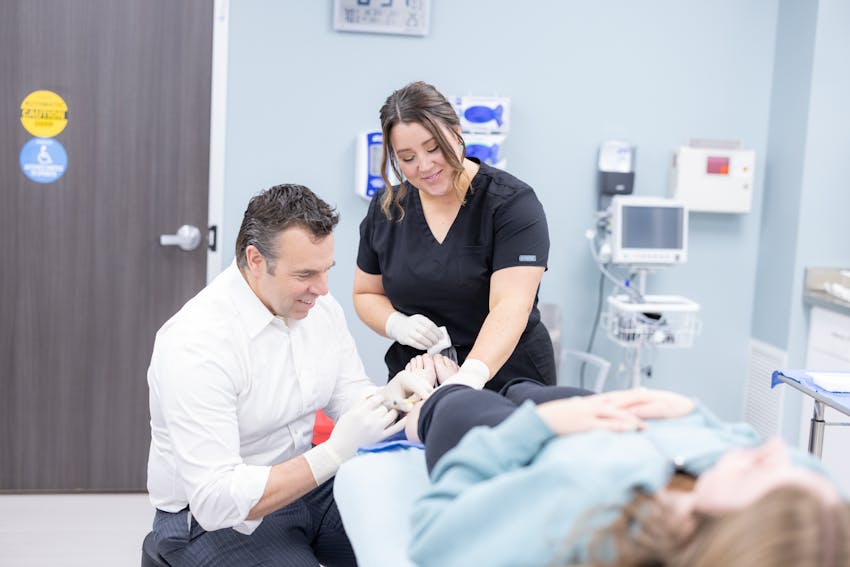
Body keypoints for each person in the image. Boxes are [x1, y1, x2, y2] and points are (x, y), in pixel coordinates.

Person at [146, 184, 432, 567]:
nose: (323, 289)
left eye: (326, 270)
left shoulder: (320, 310)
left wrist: (391, 400)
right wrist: (334, 453)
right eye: (305, 274)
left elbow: (349, 396)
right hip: (214, 520)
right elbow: (216, 500)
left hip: (307, 488)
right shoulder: (196, 344)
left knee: (426, 542)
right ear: (256, 259)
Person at [401, 356, 850, 567]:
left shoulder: (590, 512)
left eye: (757, 466)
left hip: (535, 441)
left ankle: (431, 398)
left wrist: (537, 426)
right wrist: (693, 413)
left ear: (714, 524)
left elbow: (433, 538)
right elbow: (757, 451)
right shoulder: (806, 518)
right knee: (520, 383)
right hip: (605, 416)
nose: (770, 448)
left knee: (455, 403)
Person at [353, 80, 556, 393]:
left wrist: (469, 377)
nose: (425, 165)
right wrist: (397, 324)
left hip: (507, 379)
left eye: (434, 148)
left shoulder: (511, 205)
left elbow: (511, 305)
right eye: (407, 158)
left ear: (457, 132)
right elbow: (366, 294)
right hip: (419, 380)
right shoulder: (387, 209)